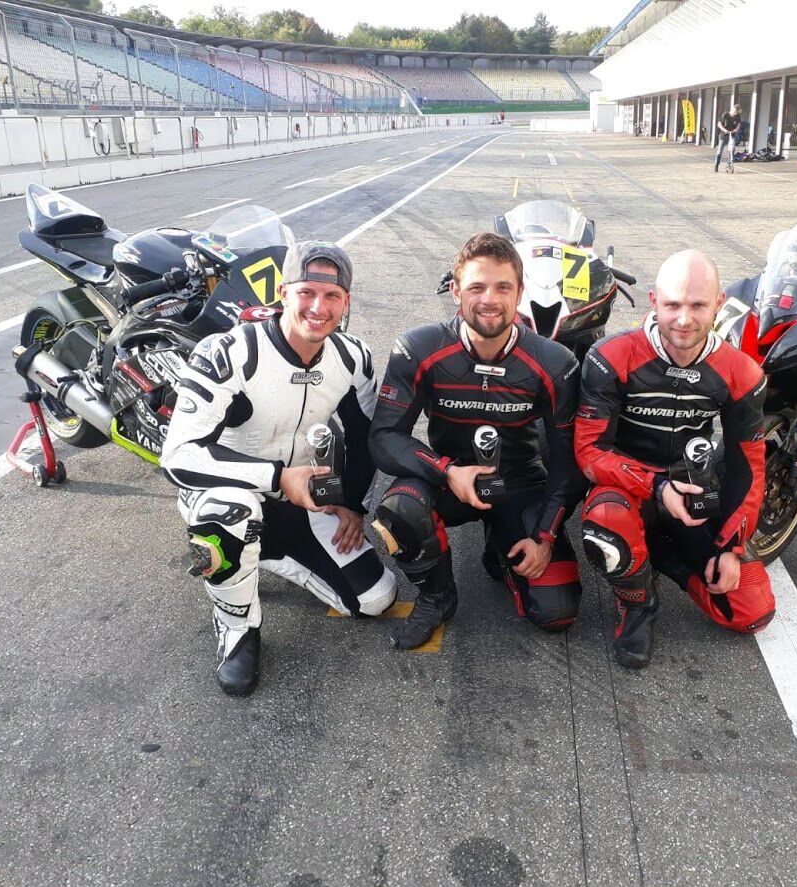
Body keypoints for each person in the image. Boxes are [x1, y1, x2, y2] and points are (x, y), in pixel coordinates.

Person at [161, 241, 397, 695]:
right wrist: (278, 477)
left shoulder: (353, 357)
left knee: (376, 599)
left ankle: (262, 553)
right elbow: (179, 455)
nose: (318, 308)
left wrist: (353, 505)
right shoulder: (228, 352)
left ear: (346, 301)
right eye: (306, 292)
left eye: (332, 296)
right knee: (229, 513)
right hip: (226, 490)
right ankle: (237, 627)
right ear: (284, 293)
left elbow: (366, 437)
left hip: (300, 498)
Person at [368, 232, 585, 650]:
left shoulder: (555, 362)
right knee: (400, 508)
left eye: (503, 287)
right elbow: (384, 437)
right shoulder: (418, 348)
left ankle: (503, 548)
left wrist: (545, 536)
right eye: (476, 287)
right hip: (449, 480)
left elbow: (567, 459)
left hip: (519, 482)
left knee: (556, 611)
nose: (490, 299)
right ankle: (437, 596)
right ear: (455, 291)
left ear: (520, 292)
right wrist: (447, 471)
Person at [576, 249, 775, 669]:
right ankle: (638, 603)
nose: (684, 319)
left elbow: (748, 467)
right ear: (654, 301)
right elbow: (590, 452)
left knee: (750, 612)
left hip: (692, 495)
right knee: (607, 518)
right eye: (673, 305)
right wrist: (656, 486)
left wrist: (732, 546)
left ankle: (660, 558)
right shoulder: (610, 356)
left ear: (719, 303)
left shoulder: (742, 372)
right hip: (628, 491)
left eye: (698, 305)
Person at [714, 105, 741, 172]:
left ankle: (729, 164)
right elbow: (719, 124)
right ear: (732, 109)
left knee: (732, 149)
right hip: (724, 135)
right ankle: (716, 164)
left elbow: (739, 124)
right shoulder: (725, 115)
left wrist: (736, 129)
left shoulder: (737, 116)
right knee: (719, 151)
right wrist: (724, 130)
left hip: (732, 134)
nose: (735, 113)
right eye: (735, 111)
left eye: (736, 112)